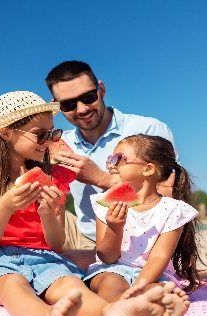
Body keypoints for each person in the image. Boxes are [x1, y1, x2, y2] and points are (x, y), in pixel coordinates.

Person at [0, 91, 178, 316]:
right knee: (12, 286)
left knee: (70, 285)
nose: (48, 141)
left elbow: (56, 244)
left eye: (52, 133)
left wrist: (48, 214)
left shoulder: (53, 176)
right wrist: (5, 207)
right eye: (40, 134)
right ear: (6, 133)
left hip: (43, 256)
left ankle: (115, 314)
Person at [44, 61, 175, 259]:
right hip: (84, 237)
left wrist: (103, 179)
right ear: (57, 106)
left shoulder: (147, 129)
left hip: (141, 241)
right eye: (68, 104)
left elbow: (169, 193)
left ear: (102, 90)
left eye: (88, 97)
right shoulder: (60, 142)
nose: (81, 109)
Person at [84, 134, 199, 316]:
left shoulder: (174, 210)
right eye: (110, 158)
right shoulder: (103, 203)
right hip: (112, 268)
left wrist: (139, 287)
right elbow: (106, 256)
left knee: (160, 290)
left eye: (119, 159)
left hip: (154, 274)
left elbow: (158, 258)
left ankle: (155, 310)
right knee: (110, 283)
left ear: (148, 169)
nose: (111, 164)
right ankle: (129, 309)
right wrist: (114, 228)